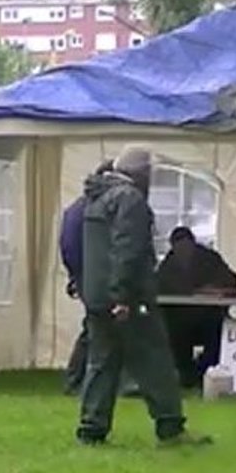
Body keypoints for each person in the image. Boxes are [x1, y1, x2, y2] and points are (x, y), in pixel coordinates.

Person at [77, 146, 211, 447]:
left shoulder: (94, 198)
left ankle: (91, 429)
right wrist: (122, 295)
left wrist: (102, 292)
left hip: (97, 296)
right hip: (128, 297)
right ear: (141, 174)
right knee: (155, 360)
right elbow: (128, 248)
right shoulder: (130, 199)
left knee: (101, 363)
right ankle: (170, 426)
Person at [59, 159, 138, 397]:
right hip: (99, 276)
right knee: (101, 331)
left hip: (87, 276)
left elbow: (67, 245)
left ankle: (77, 378)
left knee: (93, 328)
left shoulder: (77, 208)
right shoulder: (98, 208)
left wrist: (75, 274)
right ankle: (91, 381)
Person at [157, 226, 236, 387]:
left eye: (187, 245)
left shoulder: (210, 259)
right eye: (179, 246)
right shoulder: (169, 263)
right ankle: (186, 375)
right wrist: (193, 291)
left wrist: (215, 288)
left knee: (216, 330)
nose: (183, 250)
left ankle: (206, 372)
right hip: (178, 318)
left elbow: (231, 279)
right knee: (174, 333)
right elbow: (161, 285)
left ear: (193, 243)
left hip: (208, 315)